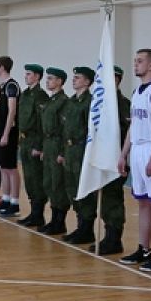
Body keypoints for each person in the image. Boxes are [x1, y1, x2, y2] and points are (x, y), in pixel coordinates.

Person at [118, 49, 151, 272]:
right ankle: (144, 248)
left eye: (140, 61)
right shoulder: (137, 91)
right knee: (143, 203)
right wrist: (123, 153)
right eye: (135, 61)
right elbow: (133, 125)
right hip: (137, 149)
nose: (135, 64)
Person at [83, 67, 130, 257]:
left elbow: (125, 131)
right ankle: (107, 235)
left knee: (113, 200)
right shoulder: (99, 103)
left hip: (114, 157)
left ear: (117, 80)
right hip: (100, 156)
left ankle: (114, 238)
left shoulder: (123, 104)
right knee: (102, 197)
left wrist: (123, 156)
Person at [60, 66, 96, 237]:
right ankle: (80, 224)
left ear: (87, 82)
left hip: (82, 149)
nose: (74, 80)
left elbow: (91, 130)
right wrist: (63, 152)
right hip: (70, 150)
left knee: (84, 189)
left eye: (78, 77)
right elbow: (65, 128)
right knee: (72, 188)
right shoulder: (71, 101)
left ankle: (87, 228)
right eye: (74, 77)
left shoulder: (90, 102)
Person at [38, 68, 70, 235]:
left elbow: (65, 129)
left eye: (51, 78)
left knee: (58, 184)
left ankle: (60, 221)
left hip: (57, 143)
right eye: (48, 78)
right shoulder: (51, 100)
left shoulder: (63, 101)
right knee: (49, 183)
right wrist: (44, 149)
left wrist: (62, 152)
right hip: (49, 143)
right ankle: (53, 219)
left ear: (59, 81)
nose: (48, 81)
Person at [17, 63, 49, 225]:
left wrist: (38, 146)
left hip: (34, 140)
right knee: (29, 178)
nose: (26, 76)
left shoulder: (40, 96)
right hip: (25, 141)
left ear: (37, 76)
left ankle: (38, 214)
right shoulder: (25, 94)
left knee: (36, 178)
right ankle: (33, 212)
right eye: (26, 74)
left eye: (29, 74)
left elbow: (42, 123)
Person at [0, 57, 21, 216]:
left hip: (10, 132)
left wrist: (6, 133)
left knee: (11, 168)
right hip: (1, 130)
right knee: (3, 167)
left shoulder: (11, 85)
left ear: (2, 67)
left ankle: (14, 203)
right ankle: (6, 198)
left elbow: (12, 111)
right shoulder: (1, 86)